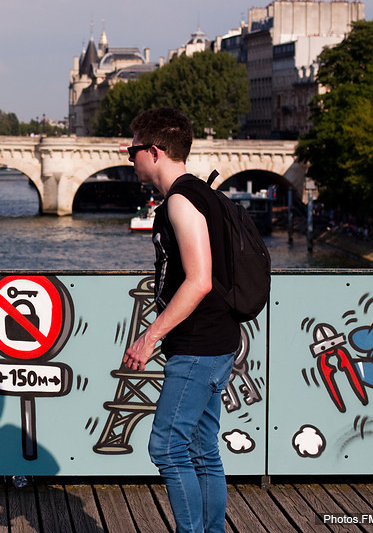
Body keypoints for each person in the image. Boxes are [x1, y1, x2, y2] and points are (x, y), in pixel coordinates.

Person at [123, 107, 239, 532]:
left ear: (155, 151)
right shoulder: (206, 195)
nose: (127, 153)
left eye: (133, 147)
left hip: (197, 346)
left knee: (167, 448)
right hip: (218, 341)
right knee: (202, 447)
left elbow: (199, 280)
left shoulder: (182, 201)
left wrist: (148, 337)